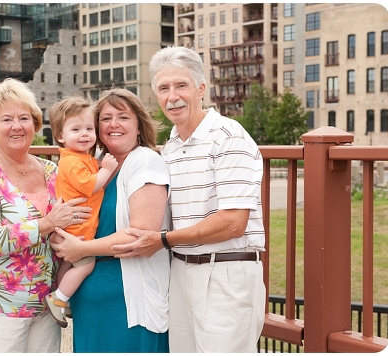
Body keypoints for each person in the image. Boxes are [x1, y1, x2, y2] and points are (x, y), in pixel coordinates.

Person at [110, 46, 267, 352]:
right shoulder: (169, 147)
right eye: (163, 88)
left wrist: (164, 239)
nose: (173, 96)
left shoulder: (228, 136)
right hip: (180, 272)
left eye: (181, 85)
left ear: (201, 89)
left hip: (225, 272)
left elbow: (234, 222)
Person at [0, 78, 91, 353]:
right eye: (7, 119)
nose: (17, 126)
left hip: (47, 306)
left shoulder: (52, 170)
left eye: (24, 118)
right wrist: (49, 223)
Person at [50, 88, 171, 352]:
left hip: (127, 301)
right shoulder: (94, 164)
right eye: (105, 118)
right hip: (90, 303)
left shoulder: (146, 162)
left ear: (139, 125)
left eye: (123, 117)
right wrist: (57, 231)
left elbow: (141, 234)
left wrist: (81, 249)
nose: (113, 124)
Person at [44, 96, 119, 328]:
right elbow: (91, 185)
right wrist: (107, 169)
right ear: (60, 136)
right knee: (86, 265)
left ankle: (61, 295)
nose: (84, 134)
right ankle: (59, 299)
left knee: (67, 264)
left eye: (89, 128)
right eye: (76, 129)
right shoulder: (72, 162)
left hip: (73, 227)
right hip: (79, 230)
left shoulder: (80, 157)